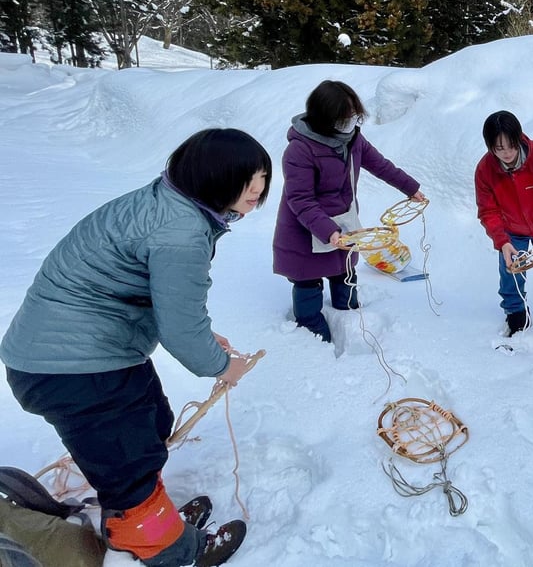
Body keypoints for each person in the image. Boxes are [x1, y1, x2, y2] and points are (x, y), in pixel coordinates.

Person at [1, 128, 271, 567]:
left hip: (84, 350)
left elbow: (164, 304)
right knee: (128, 460)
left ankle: (150, 515)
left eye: (262, 176)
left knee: (151, 425)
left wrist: (198, 335)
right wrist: (222, 364)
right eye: (247, 179)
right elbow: (181, 329)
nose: (258, 190)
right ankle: (163, 545)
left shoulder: (170, 201)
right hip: (70, 367)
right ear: (211, 177)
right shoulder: (181, 231)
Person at [272, 80, 424, 342]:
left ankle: (349, 310)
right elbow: (301, 199)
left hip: (343, 219)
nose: (350, 123)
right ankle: (310, 328)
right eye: (344, 118)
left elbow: (381, 165)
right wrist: (326, 230)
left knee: (343, 268)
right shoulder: (299, 149)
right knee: (308, 279)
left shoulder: (354, 139)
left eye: (353, 116)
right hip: (307, 225)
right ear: (324, 118)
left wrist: (410, 188)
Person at [474, 110, 533, 338]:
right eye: (499, 148)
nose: (506, 153)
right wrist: (502, 241)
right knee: (510, 274)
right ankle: (515, 313)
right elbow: (488, 211)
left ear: (519, 139)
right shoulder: (485, 170)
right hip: (511, 229)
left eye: (510, 146)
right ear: (490, 147)